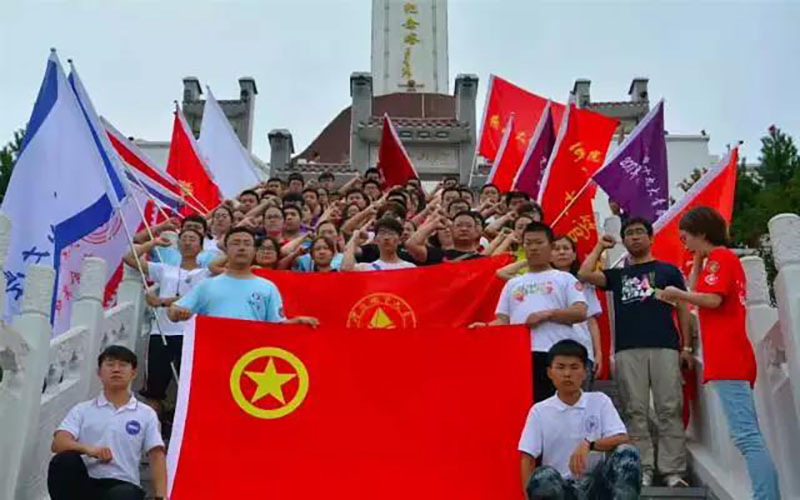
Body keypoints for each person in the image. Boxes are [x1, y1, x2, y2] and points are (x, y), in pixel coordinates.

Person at [659, 206, 780, 500]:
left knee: (746, 437)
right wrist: (697, 262)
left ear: (701, 233)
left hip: (728, 359)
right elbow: (698, 294)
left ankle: (766, 496)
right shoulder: (716, 260)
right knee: (747, 435)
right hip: (730, 357)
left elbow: (711, 300)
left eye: (686, 237)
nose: (684, 243)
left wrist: (676, 293)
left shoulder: (721, 259)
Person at [578, 217, 691, 487]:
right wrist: (600, 247)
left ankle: (673, 471)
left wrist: (686, 346)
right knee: (635, 410)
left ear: (651, 238)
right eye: (629, 233)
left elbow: (683, 308)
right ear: (624, 240)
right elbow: (584, 274)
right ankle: (643, 468)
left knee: (669, 408)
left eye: (640, 232)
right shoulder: (618, 275)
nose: (635, 237)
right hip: (628, 350)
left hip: (665, 346)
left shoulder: (668, 271)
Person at [469, 221, 587, 403]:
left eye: (539, 243)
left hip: (556, 354)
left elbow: (580, 312)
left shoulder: (565, 279)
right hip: (521, 354)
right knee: (526, 406)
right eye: (528, 243)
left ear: (551, 247)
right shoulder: (513, 283)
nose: (533, 248)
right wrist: (485, 326)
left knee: (557, 405)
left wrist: (547, 314)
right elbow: (503, 320)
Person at [519, 340, 640, 500]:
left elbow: (622, 438)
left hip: (597, 487)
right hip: (562, 488)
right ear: (549, 372)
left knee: (627, 453)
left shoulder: (600, 401)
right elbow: (527, 458)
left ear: (584, 372)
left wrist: (590, 444)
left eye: (574, 367)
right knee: (543, 476)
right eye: (560, 367)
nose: (567, 374)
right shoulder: (539, 411)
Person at [49, 346, 166, 500]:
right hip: (85, 482)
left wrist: (161, 496)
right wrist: (88, 449)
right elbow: (58, 443)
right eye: (110, 364)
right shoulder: (82, 410)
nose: (116, 369)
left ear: (133, 373)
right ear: (99, 373)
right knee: (63, 461)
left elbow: (156, 456)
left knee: (122, 495)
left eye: (123, 365)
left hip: (123, 485)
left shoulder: (146, 413)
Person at [123, 230, 213, 414]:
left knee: (190, 387)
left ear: (201, 247)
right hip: (162, 332)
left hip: (191, 335)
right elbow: (130, 258)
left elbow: (197, 300)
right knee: (154, 389)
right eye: (184, 239)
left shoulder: (207, 274)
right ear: (177, 245)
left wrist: (162, 302)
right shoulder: (165, 269)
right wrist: (153, 243)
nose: (187, 242)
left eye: (192, 239)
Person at [168, 227, 318, 325]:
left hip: (249, 358)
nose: (241, 248)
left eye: (247, 244)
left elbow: (276, 324)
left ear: (254, 251)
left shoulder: (268, 287)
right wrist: (177, 312)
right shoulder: (207, 285)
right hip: (214, 356)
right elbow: (174, 311)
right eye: (236, 243)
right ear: (226, 250)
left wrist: (297, 321)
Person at [552, 236, 603, 389]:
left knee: (582, 398)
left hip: (582, 350)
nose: (561, 252)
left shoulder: (584, 285)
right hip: (552, 350)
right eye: (556, 249)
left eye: (566, 248)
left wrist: (598, 353)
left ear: (574, 255)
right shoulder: (541, 284)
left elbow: (591, 321)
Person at [341, 217, 416, 271]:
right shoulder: (367, 268)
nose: (386, 237)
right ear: (376, 240)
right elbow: (346, 269)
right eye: (382, 233)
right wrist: (354, 238)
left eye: (391, 233)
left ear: (399, 240)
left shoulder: (410, 268)